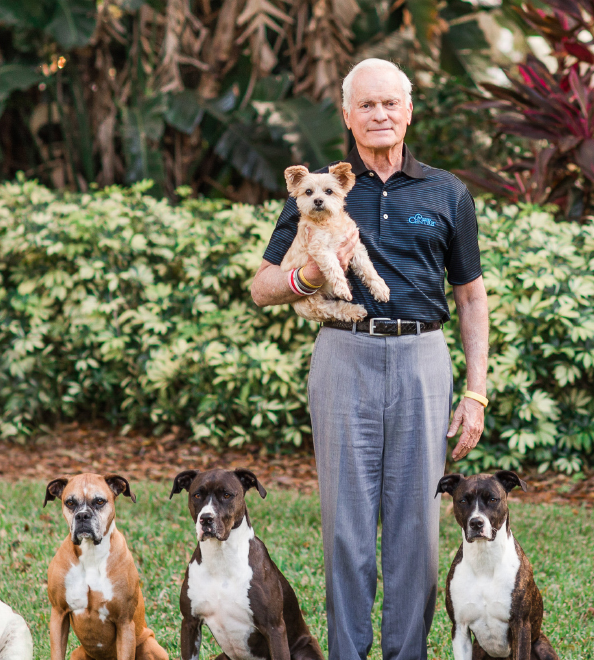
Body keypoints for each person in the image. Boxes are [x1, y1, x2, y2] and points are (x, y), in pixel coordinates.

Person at [248, 58, 489, 660]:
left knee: (419, 534)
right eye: (367, 105)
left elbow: (470, 295)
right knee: (345, 530)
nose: (380, 115)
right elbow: (262, 286)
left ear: (408, 111)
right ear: (348, 115)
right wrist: (306, 276)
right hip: (343, 357)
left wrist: (476, 392)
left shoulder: (447, 191)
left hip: (422, 360)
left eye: (391, 104)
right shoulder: (316, 188)